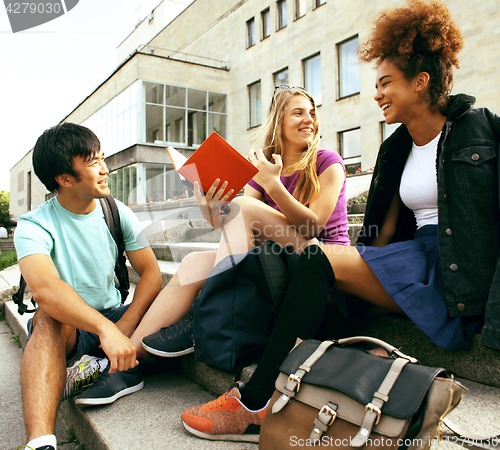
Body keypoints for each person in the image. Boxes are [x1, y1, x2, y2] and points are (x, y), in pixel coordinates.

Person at [180, 0, 500, 443]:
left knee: (316, 260)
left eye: (386, 82)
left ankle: (255, 402)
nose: (376, 93)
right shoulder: (396, 149)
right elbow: (383, 235)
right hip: (409, 260)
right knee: (311, 266)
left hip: (455, 267)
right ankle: (293, 374)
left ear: (421, 82)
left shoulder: (479, 129)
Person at [130, 86, 350, 361]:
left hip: (324, 266)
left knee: (244, 206)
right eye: (298, 113)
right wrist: (209, 207)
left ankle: (201, 320)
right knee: (193, 262)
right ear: (278, 121)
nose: (309, 120)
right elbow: (235, 227)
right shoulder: (263, 170)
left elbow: (313, 226)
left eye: (312, 113)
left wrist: (274, 185)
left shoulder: (328, 162)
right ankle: (128, 358)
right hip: (278, 261)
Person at [14, 123, 162, 450]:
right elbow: (46, 290)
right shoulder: (33, 226)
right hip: (72, 328)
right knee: (48, 317)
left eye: (103, 158)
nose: (105, 169)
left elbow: (151, 273)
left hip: (115, 313)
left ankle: (99, 367)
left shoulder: (115, 211)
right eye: (94, 162)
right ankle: (40, 443)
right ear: (65, 179)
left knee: (184, 288)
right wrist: (104, 330)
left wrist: (123, 323)